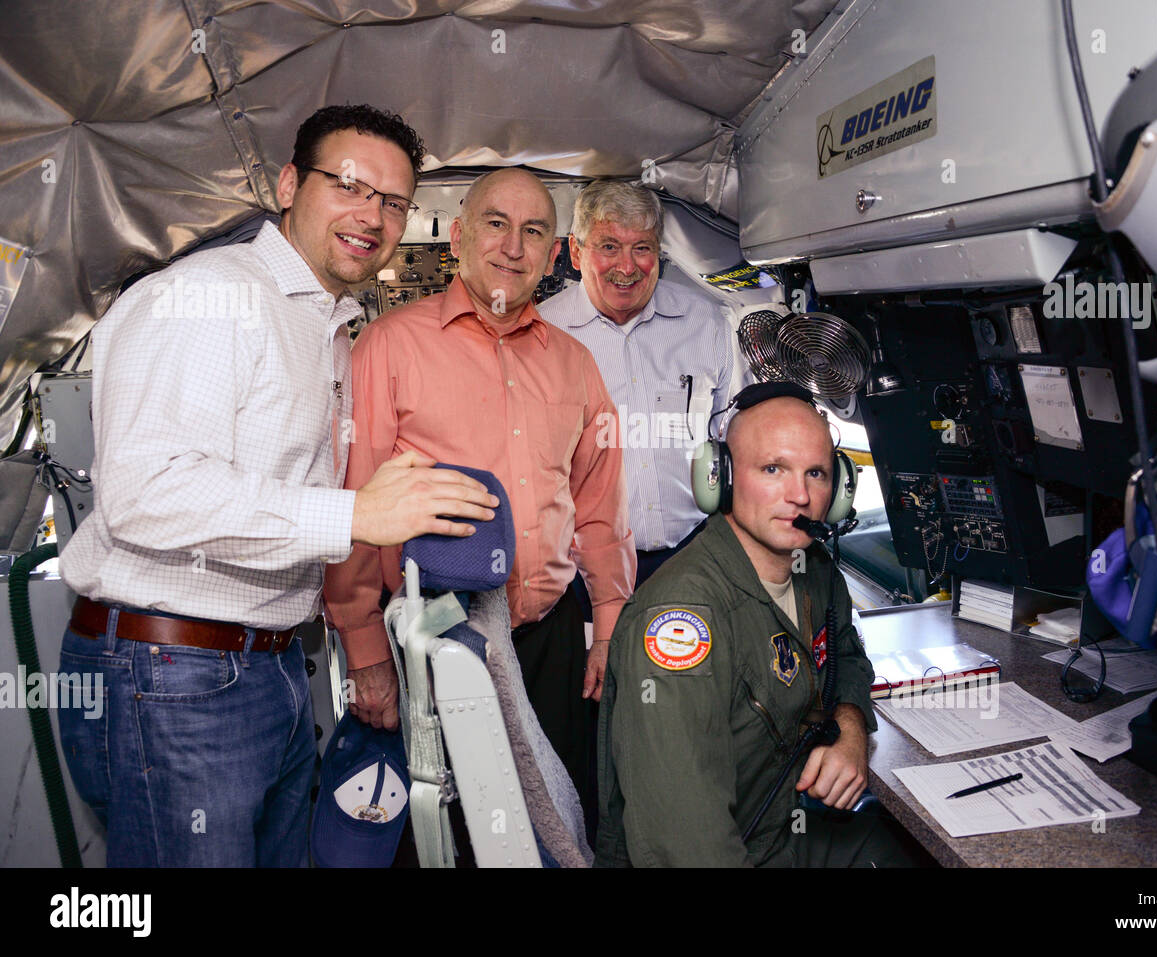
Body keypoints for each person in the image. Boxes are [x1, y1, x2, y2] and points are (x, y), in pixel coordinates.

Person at [56, 104, 499, 867]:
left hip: (264, 667)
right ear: (291, 183)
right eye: (351, 185)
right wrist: (358, 512)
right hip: (173, 676)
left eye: (394, 202)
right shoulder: (207, 297)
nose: (374, 216)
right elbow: (145, 489)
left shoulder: (321, 322)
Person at [324, 167, 635, 808]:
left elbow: (600, 507)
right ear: (459, 236)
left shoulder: (575, 364)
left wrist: (607, 621)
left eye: (533, 232)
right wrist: (364, 651)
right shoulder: (388, 347)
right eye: (495, 224)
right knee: (457, 830)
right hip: (435, 641)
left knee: (561, 817)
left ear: (554, 255)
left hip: (550, 639)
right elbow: (354, 508)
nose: (512, 248)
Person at [597, 382, 930, 866]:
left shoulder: (815, 572)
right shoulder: (683, 621)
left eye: (815, 473)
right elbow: (686, 846)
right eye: (773, 469)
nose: (799, 495)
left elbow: (849, 658)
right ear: (721, 479)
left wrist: (851, 729)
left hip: (781, 832)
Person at [537, 179, 747, 590]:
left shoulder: (708, 324)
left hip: (695, 554)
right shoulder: (541, 335)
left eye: (642, 248)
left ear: (659, 254)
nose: (627, 267)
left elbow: (735, 437)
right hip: (579, 571)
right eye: (609, 246)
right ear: (577, 253)